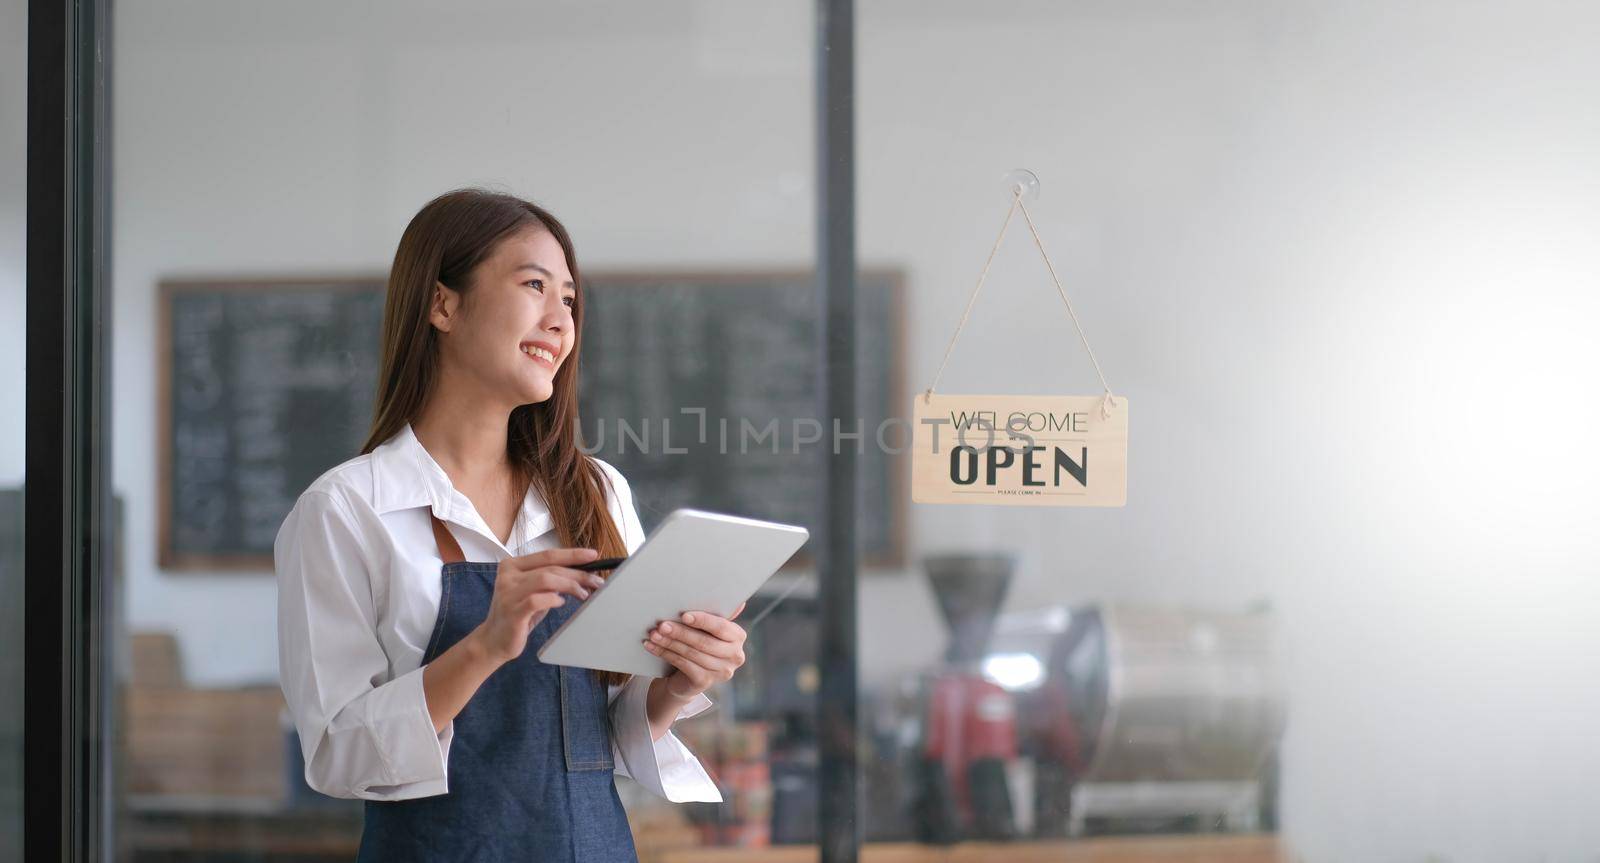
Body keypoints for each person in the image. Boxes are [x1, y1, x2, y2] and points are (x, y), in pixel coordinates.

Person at [274, 188, 748, 862]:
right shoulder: (346, 509)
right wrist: (484, 646)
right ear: (442, 304)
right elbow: (335, 752)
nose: (561, 320)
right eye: (534, 285)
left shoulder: (595, 491)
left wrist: (679, 679)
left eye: (570, 299)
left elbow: (602, 729)